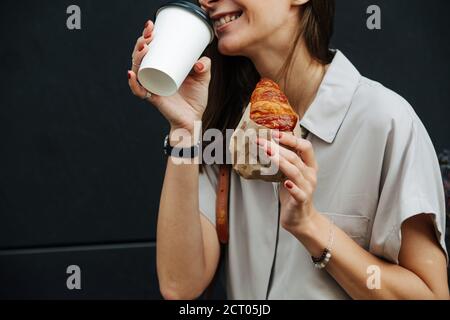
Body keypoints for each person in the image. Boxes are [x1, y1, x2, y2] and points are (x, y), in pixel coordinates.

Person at [128, 0, 449, 299]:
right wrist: (185, 132)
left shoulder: (385, 121)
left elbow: (432, 294)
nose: (206, 0)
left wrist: (310, 226)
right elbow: (179, 285)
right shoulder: (224, 123)